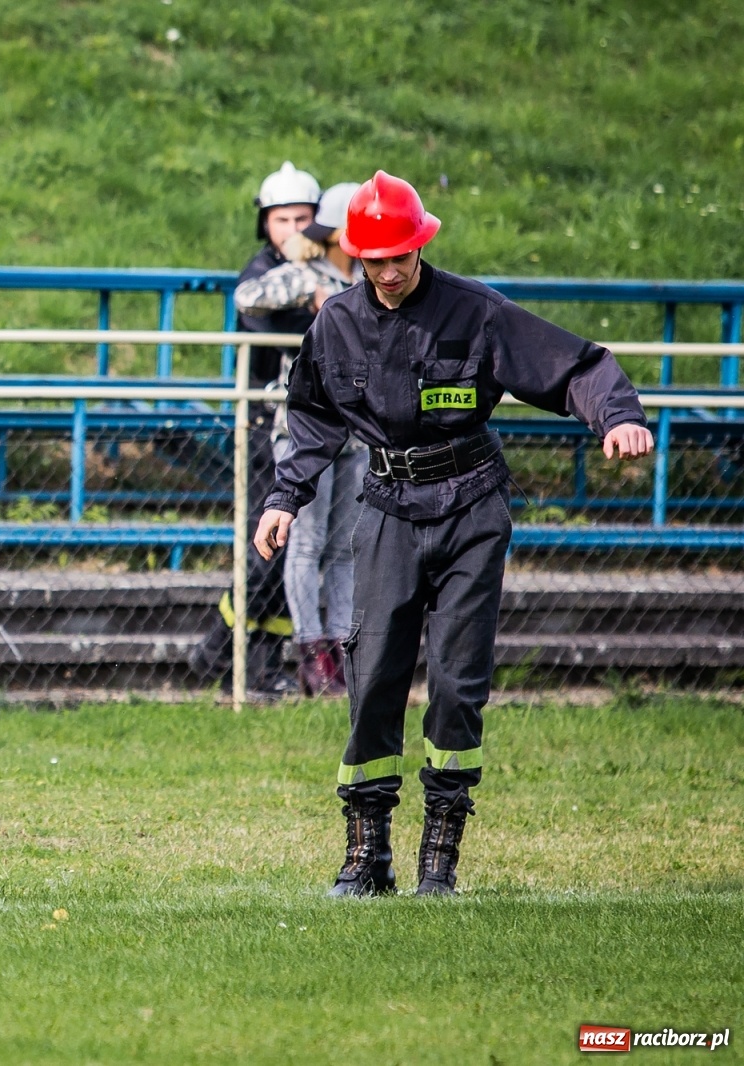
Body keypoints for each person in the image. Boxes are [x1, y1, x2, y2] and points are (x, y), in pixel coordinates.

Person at [253, 172, 652, 896]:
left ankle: (440, 857)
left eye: (401, 255)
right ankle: (366, 856)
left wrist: (616, 415)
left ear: (421, 243)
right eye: (375, 260)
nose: (391, 271)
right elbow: (310, 415)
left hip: (471, 505)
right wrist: (286, 494)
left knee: (457, 683)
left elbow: (575, 366)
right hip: (387, 508)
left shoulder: (477, 313)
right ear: (354, 254)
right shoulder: (336, 322)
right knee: (372, 676)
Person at [189, 161, 320, 699]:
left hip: (310, 426)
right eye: (281, 219)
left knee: (292, 552)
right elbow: (265, 321)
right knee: (267, 549)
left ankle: (262, 668)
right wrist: (311, 308)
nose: (292, 229)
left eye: (303, 218)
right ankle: (218, 648)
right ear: (265, 223)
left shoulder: (331, 268)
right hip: (266, 427)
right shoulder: (258, 273)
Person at [233, 182, 367, 697]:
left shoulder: (372, 278)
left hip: (357, 433)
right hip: (305, 430)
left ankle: (340, 647)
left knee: (342, 546)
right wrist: (307, 301)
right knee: (306, 542)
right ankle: (312, 652)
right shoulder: (308, 274)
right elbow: (248, 295)